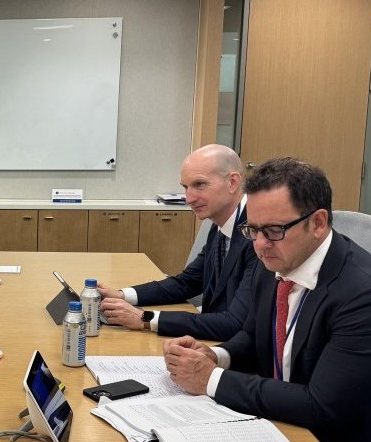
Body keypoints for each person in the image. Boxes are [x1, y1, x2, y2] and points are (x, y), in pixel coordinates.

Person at [163, 158, 371, 442]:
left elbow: (321, 406)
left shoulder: (370, 296)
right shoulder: (275, 263)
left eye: (274, 230)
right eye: (252, 230)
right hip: (298, 433)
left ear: (318, 223)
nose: (260, 245)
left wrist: (210, 379)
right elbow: (254, 337)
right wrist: (216, 356)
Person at [99, 144, 258, 341]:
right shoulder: (221, 222)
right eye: (185, 187)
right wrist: (122, 295)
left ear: (232, 182)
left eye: (199, 185)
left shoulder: (257, 234)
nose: (189, 199)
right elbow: (187, 282)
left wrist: (145, 318)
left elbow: (234, 324)